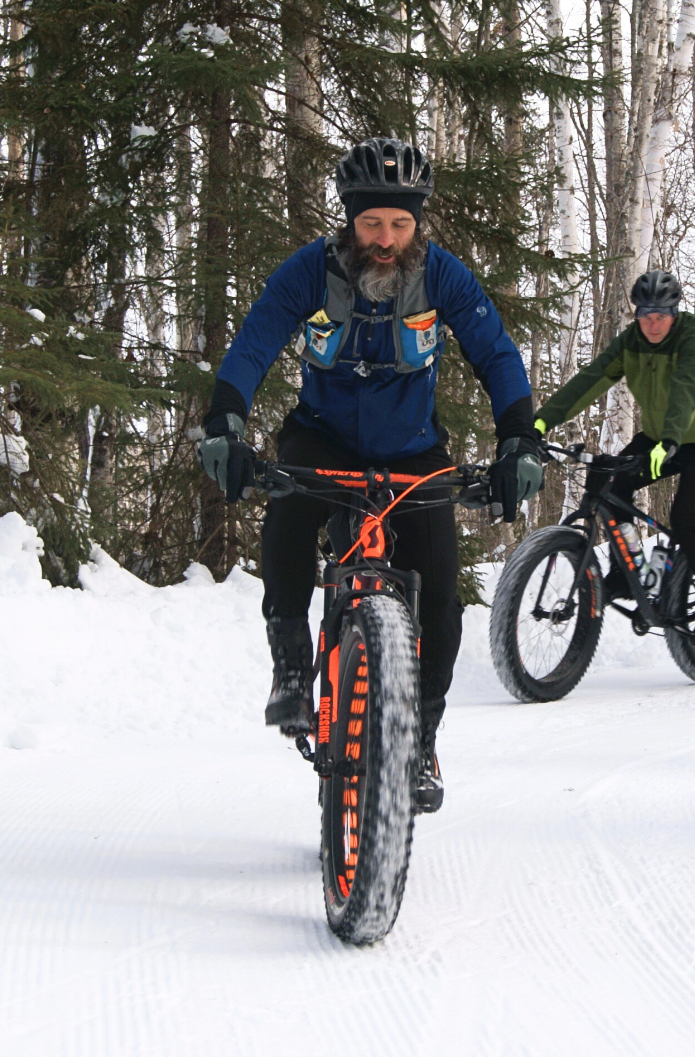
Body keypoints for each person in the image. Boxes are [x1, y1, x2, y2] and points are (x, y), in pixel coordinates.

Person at [197, 137, 545, 815]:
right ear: (350, 221)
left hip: (413, 450)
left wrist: (519, 439)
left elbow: (496, 353)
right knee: (289, 517)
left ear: (418, 224)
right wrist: (225, 424)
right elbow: (255, 340)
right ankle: (295, 664)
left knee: (441, 595)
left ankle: (421, 741)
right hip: (322, 438)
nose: (385, 240)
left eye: (400, 224)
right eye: (372, 224)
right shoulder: (310, 271)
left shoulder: (442, 276)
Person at [533, 269, 695, 621]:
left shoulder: (694, 335)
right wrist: (543, 420)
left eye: (660, 316)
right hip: (662, 436)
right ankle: (625, 572)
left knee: (684, 517)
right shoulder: (631, 341)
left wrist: (670, 439)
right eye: (645, 316)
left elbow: (687, 387)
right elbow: (592, 378)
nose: (652, 324)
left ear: (674, 312)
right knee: (611, 485)